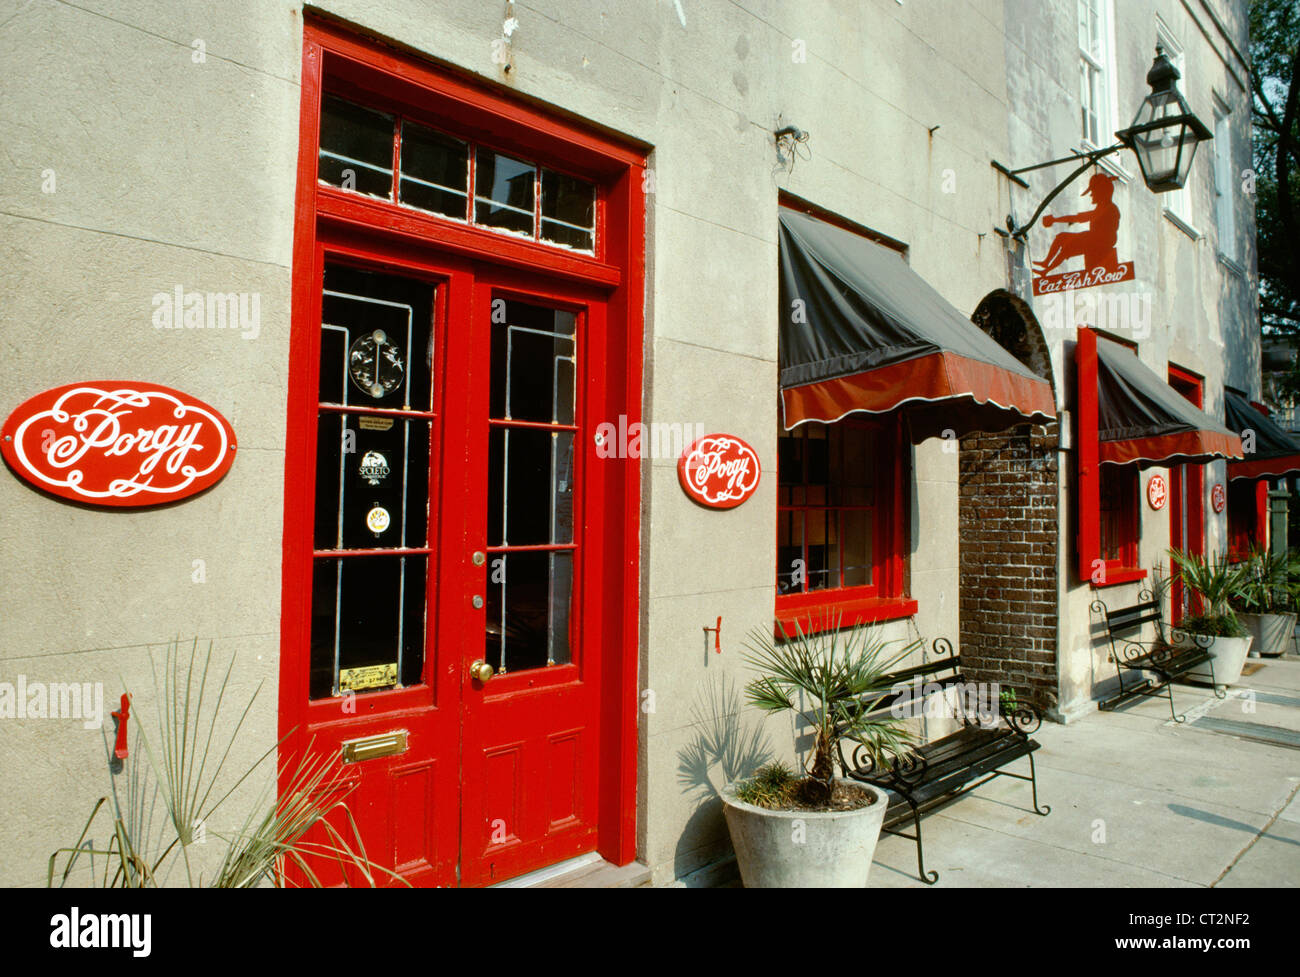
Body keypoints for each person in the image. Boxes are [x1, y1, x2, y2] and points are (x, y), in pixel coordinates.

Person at [1033, 172, 1120, 276]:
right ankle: (1046, 263)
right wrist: (1055, 220)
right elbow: (1079, 218)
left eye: (1093, 191)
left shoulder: (1108, 208)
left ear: (1101, 192)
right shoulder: (1101, 208)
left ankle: (1045, 271)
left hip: (1099, 243)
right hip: (1093, 238)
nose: (1091, 195)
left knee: (1068, 246)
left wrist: (1055, 220)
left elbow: (1078, 218)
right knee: (1061, 237)